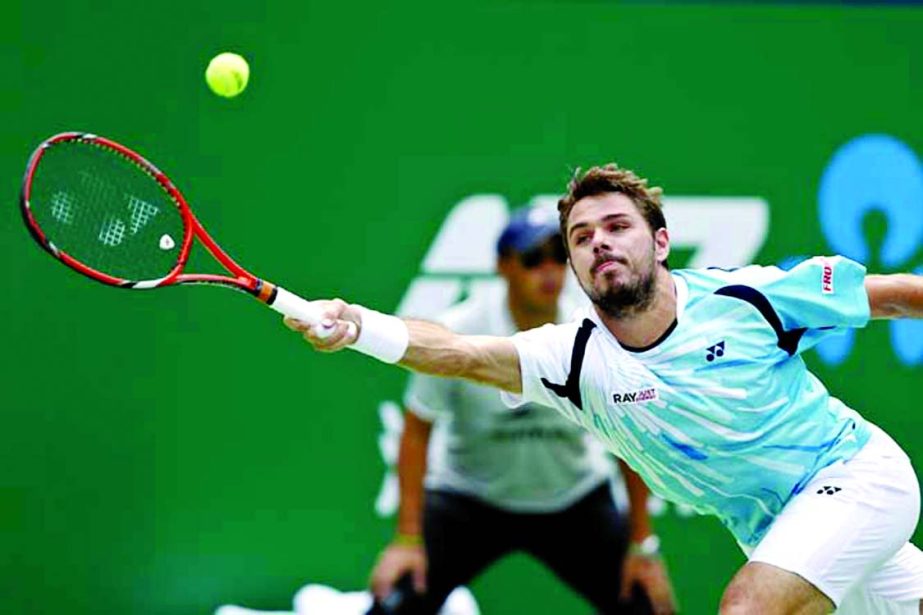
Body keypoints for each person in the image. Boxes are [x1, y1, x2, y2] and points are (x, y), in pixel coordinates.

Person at [286, 164, 923, 614]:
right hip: (770, 525)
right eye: (582, 238)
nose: (600, 243)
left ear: (662, 241)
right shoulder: (576, 359)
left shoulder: (748, 297)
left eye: (617, 226)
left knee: (749, 607)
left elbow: (896, 297)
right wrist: (357, 326)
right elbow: (457, 353)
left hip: (855, 475)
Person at [366, 207, 676, 615]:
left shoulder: (593, 327)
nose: (547, 271)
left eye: (556, 256)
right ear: (503, 266)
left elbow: (629, 434)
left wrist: (643, 546)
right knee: (395, 606)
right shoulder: (457, 329)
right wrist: (407, 539)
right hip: (468, 499)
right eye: (532, 259)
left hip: (573, 500)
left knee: (648, 607)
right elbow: (417, 428)